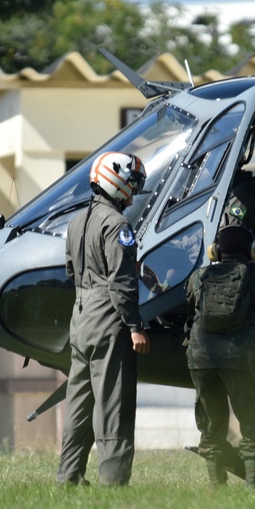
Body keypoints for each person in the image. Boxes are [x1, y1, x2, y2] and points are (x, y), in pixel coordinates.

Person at [57, 151, 150, 486]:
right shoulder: (117, 224)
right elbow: (122, 282)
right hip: (108, 318)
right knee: (114, 403)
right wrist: (135, 326)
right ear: (118, 183)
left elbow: (71, 270)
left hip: (79, 319)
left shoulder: (75, 221)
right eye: (132, 184)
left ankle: (68, 478)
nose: (134, 192)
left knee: (78, 403)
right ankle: (113, 483)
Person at [184, 225, 255, 487]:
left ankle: (215, 487)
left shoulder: (200, 275)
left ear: (216, 251)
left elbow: (189, 301)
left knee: (212, 423)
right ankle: (254, 487)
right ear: (254, 251)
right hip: (239, 358)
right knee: (252, 425)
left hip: (200, 357)